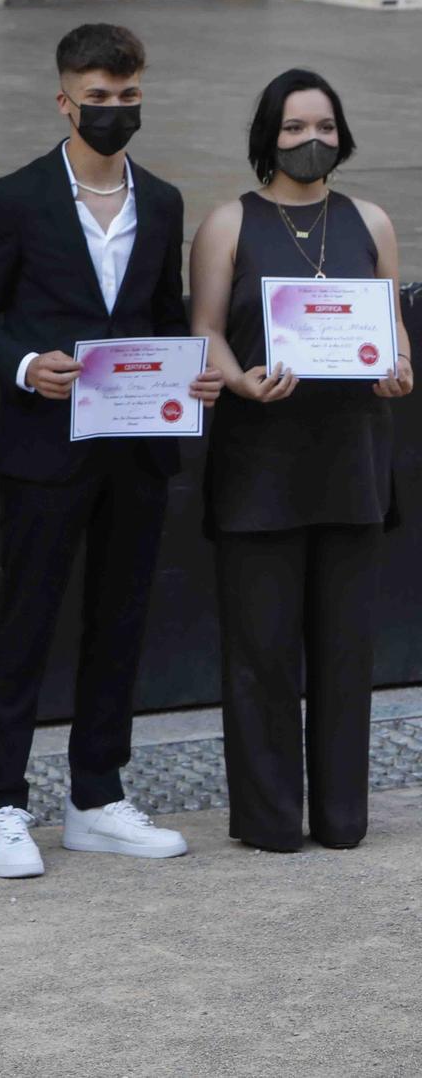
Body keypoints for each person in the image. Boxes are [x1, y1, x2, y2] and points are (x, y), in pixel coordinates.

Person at [0, 24, 223, 879]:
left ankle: (97, 797)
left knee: (122, 618)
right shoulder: (15, 197)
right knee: (26, 621)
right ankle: (0, 804)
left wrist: (193, 377)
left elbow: (164, 318)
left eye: (127, 97)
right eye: (98, 99)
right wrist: (29, 367)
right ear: (65, 100)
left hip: (137, 448)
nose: (113, 112)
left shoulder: (165, 200)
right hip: (43, 447)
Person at [189, 69, 411, 852]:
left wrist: (398, 366)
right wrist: (240, 381)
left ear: (341, 134)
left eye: (322, 127)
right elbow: (206, 328)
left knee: (346, 656)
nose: (309, 141)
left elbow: (391, 331)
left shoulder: (371, 221)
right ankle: (270, 821)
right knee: (260, 656)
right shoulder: (228, 223)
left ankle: (344, 820)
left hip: (351, 461)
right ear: (267, 138)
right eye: (292, 129)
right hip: (259, 463)